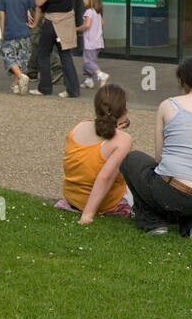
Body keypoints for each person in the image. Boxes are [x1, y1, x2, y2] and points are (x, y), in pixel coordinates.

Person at [120, 57, 192, 239]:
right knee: (176, 187)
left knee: (131, 160)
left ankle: (152, 222)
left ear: (182, 81)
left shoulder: (169, 105)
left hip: (174, 193)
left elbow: (159, 157)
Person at [57, 84, 135, 223]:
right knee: (137, 171)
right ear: (125, 111)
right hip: (103, 203)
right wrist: (87, 215)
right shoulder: (123, 140)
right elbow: (105, 177)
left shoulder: (79, 127)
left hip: (73, 197)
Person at [29, 0, 81, 98]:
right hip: (67, 24)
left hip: (53, 23)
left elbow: (39, 2)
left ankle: (45, 88)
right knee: (66, 56)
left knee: (43, 54)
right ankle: (73, 89)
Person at [0, 0, 35, 94]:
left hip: (9, 32)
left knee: (8, 56)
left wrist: (2, 32)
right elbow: (34, 9)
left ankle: (19, 77)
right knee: (21, 59)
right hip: (24, 32)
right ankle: (16, 84)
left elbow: (2, 16)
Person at [79, 0, 109, 89]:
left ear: (91, 0)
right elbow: (103, 23)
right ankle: (88, 80)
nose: (83, 0)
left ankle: (101, 75)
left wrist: (77, 29)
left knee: (88, 62)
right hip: (98, 42)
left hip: (90, 42)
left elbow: (87, 25)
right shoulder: (97, 12)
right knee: (89, 61)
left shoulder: (88, 12)